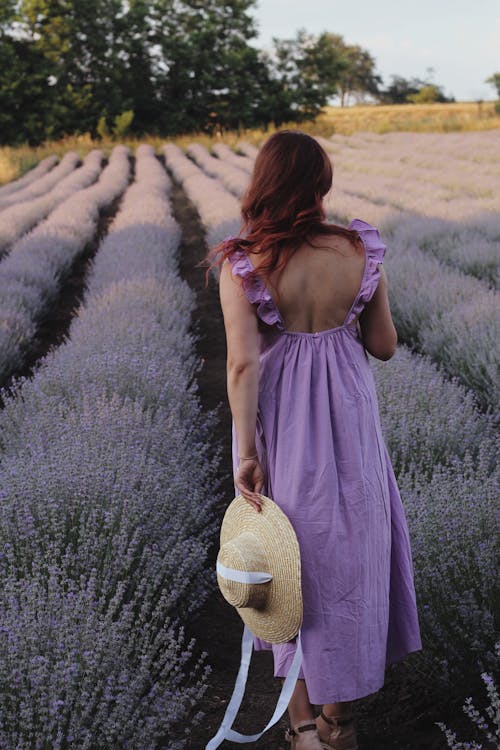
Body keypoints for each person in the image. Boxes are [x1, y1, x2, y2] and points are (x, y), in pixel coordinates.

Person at [209, 130, 422, 750]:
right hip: (350, 424)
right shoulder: (360, 249)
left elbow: (242, 366)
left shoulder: (245, 261)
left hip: (283, 426)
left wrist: (247, 452)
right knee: (346, 558)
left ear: (263, 184)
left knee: (284, 557)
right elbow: (383, 346)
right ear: (320, 184)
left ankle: (301, 726)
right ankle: (338, 722)